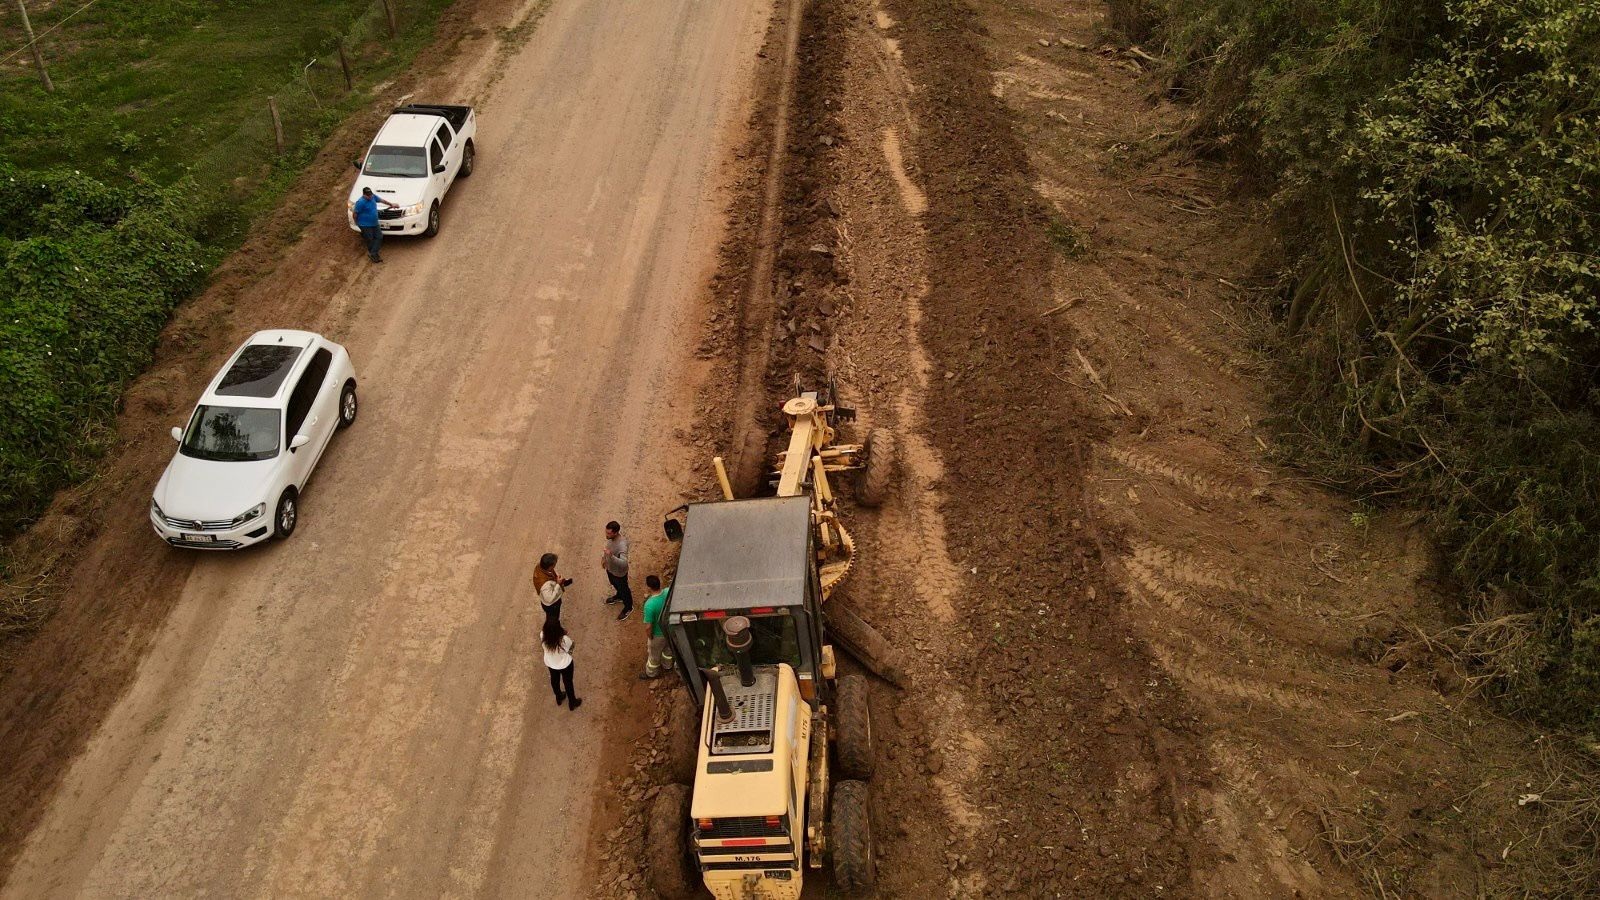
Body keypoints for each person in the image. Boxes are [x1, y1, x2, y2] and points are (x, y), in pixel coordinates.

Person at [639, 575, 676, 680]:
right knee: (668, 650)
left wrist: (650, 636)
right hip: (670, 629)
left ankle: (651, 673)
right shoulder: (668, 592)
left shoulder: (649, 605)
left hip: (658, 635)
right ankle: (667, 666)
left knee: (654, 656)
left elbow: (648, 626)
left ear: (649, 587)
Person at [541, 618, 581, 710]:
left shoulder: (543, 635)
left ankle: (558, 697)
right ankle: (572, 702)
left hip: (551, 663)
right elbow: (571, 647)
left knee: (554, 680)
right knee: (568, 682)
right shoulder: (563, 639)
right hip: (565, 665)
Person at [352, 186, 398, 263]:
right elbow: (355, 214)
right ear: (364, 195)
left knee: (379, 237)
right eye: (368, 195)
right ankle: (374, 255)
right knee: (370, 239)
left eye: (371, 194)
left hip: (374, 223)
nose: (370, 196)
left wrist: (391, 204)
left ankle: (372, 253)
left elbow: (382, 200)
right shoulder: (360, 202)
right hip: (365, 225)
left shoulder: (373, 197)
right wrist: (356, 222)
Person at [601, 520, 633, 620]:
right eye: (606, 532)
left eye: (609, 533)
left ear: (616, 532)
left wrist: (611, 556)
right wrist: (604, 559)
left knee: (624, 590)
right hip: (611, 570)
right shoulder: (611, 539)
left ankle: (628, 607)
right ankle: (619, 596)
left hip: (619, 574)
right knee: (614, 584)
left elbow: (624, 563)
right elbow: (608, 549)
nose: (606, 535)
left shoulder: (622, 545)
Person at [536, 552, 572, 622]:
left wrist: (558, 580)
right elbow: (549, 599)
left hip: (551, 603)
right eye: (554, 564)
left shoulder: (541, 568)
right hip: (552, 605)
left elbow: (551, 577)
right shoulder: (545, 585)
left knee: (552, 618)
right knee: (553, 619)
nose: (555, 566)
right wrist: (558, 584)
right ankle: (551, 631)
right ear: (550, 567)